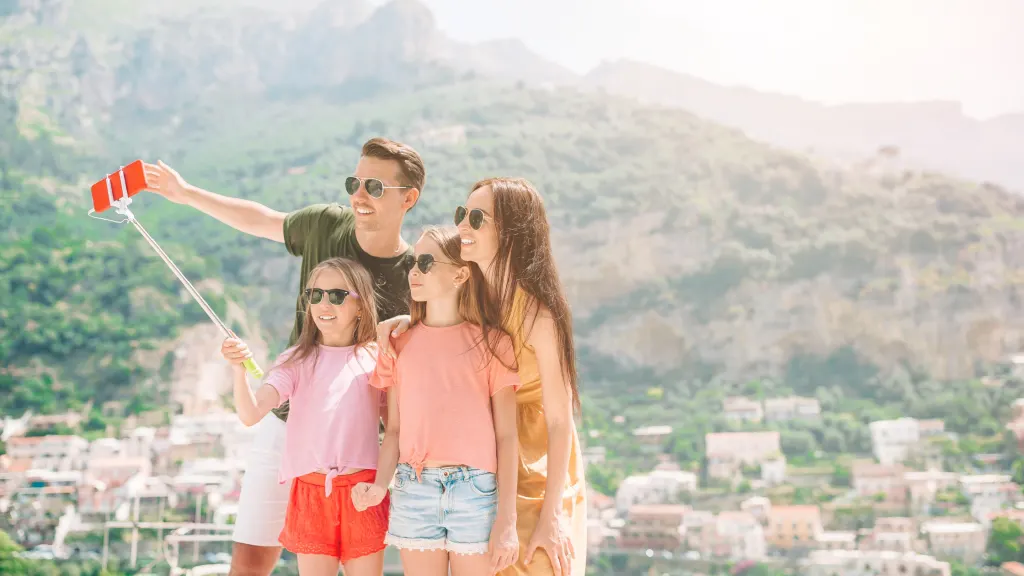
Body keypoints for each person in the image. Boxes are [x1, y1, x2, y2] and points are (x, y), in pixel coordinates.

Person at [143, 137, 423, 576]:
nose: (359, 195)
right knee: (251, 562)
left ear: (409, 198)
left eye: (375, 187)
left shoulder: (417, 275)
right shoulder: (325, 226)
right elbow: (262, 220)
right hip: (286, 425)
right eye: (356, 182)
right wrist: (186, 193)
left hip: (363, 449)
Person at [379, 179, 587, 575]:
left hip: (538, 457)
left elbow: (561, 422)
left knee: (535, 562)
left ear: (512, 230)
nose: (462, 227)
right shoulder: (477, 294)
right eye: (462, 215)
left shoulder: (540, 316)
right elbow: (445, 329)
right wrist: (401, 323)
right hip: (479, 455)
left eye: (477, 218)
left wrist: (551, 515)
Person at [351, 226, 520, 576]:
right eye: (413, 262)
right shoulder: (397, 344)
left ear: (460, 274)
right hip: (414, 489)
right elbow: (394, 430)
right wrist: (380, 486)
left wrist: (507, 521)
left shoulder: (495, 344)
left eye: (427, 262)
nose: (415, 271)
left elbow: (507, 437)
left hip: (476, 492)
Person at [221, 257, 388, 576]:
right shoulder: (295, 360)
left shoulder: (377, 359)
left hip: (363, 493)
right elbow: (251, 413)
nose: (324, 303)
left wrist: (384, 484)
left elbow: (395, 429)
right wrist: (238, 371)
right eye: (316, 294)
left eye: (337, 295)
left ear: (361, 306)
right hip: (310, 495)